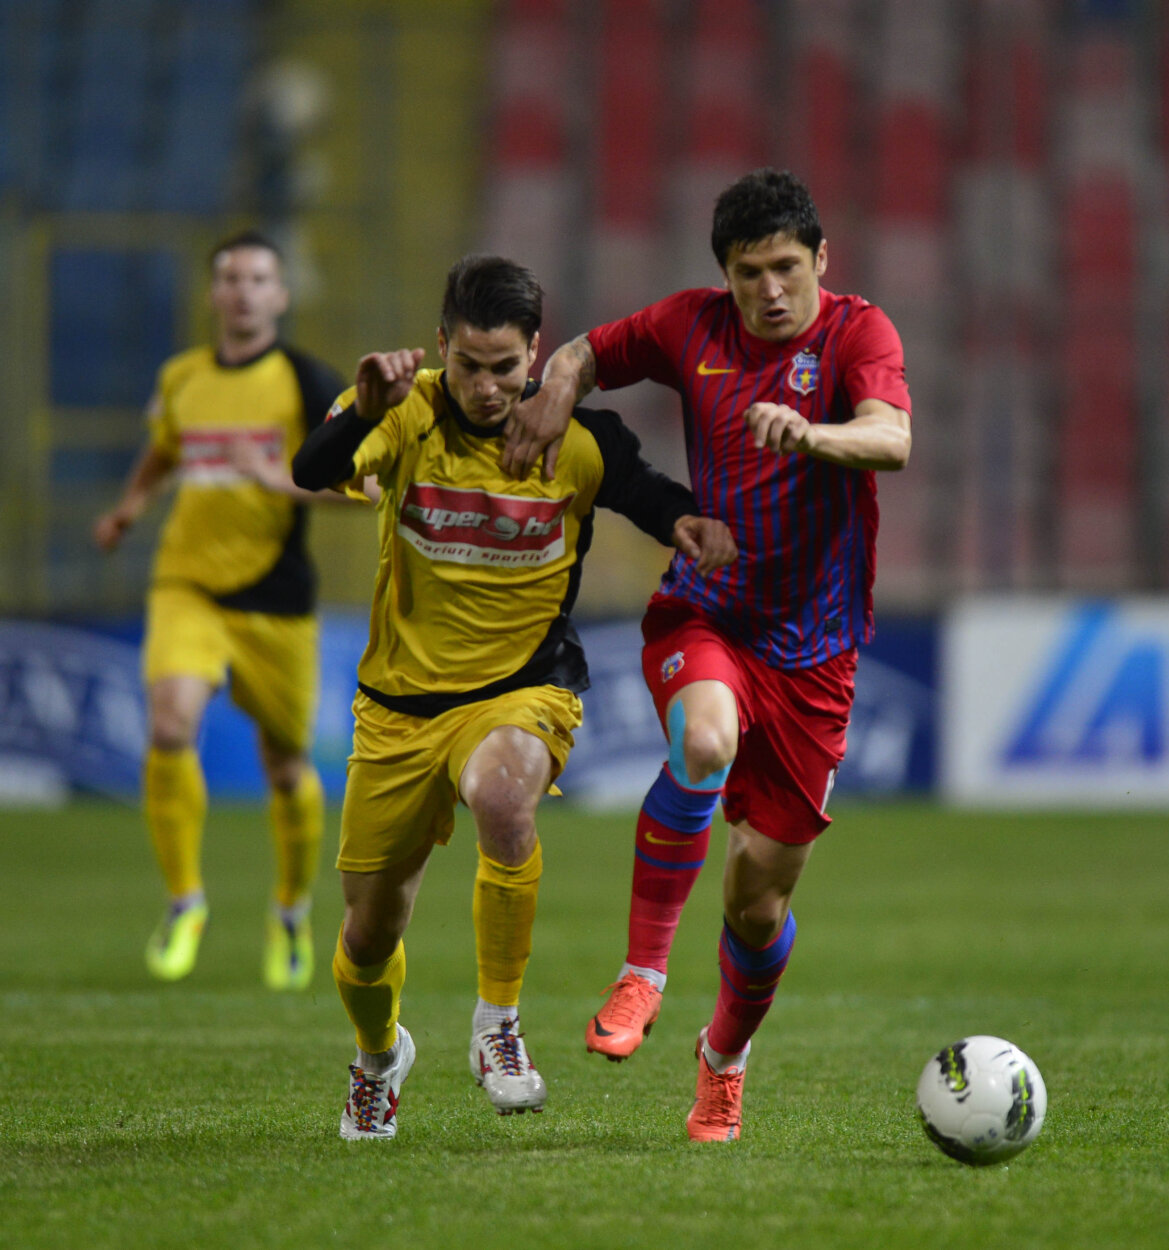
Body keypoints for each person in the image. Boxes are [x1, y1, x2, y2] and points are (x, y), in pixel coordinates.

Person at [503, 168, 913, 1142]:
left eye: (785, 267)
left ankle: (723, 1055)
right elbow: (584, 351)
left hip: (816, 654)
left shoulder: (859, 332)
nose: (769, 290)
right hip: (710, 615)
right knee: (705, 737)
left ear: (821, 259)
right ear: (722, 275)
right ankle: (643, 969)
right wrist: (556, 387)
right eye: (747, 272)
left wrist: (812, 434)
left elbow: (892, 437)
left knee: (759, 904)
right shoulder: (690, 327)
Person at [291, 254, 736, 1138]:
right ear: (442, 347)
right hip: (397, 707)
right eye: (468, 365)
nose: (488, 388)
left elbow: (643, 490)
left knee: (503, 794)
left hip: (521, 691)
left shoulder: (575, 435)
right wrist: (366, 405)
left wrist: (685, 523)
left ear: (537, 352)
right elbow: (314, 467)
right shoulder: (403, 408)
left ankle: (499, 1027)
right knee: (368, 935)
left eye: (506, 366)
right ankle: (379, 1057)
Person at [93, 229, 352, 991]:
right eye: (230, 278)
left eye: (258, 278)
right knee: (170, 723)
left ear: (281, 295)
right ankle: (185, 902)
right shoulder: (181, 378)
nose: (242, 290)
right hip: (187, 586)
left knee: (285, 767)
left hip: (276, 600)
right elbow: (166, 449)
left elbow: (366, 488)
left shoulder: (307, 382)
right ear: (213, 294)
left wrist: (280, 481)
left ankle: (291, 912)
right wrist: (130, 506)